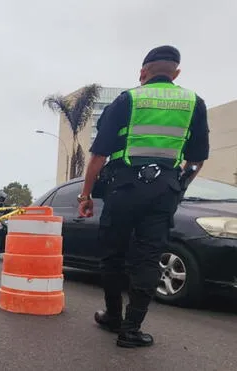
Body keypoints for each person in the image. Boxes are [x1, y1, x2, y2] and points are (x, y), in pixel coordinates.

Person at [78, 45, 209, 348]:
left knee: (113, 254)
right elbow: (196, 159)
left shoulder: (128, 99)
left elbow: (99, 155)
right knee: (149, 258)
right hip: (164, 189)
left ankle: (112, 316)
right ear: (176, 73)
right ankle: (131, 328)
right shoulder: (194, 103)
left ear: (143, 72)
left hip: (123, 186)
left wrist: (86, 195)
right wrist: (179, 186)